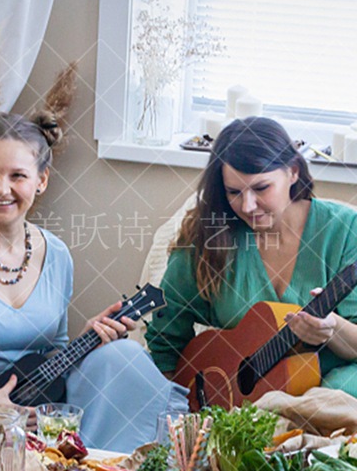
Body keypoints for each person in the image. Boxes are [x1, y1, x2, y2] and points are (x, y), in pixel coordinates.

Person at [0, 111, 187, 454]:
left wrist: (86, 341)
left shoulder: (56, 255)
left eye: (18, 176)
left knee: (123, 357)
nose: (2, 188)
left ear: (41, 180)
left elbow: (48, 351)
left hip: (31, 407)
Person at [146, 116, 357, 395]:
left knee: (337, 391)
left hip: (330, 388)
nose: (247, 206)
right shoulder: (212, 234)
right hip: (237, 402)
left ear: (293, 172)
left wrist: (333, 328)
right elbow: (165, 337)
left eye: (261, 188)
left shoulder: (345, 230)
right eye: (234, 192)